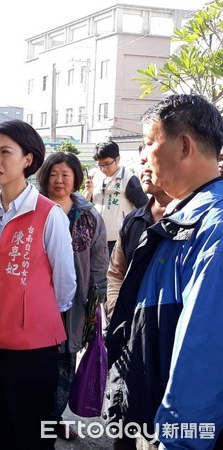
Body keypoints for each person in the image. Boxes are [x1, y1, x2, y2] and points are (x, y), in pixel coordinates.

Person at [105, 94, 223, 449]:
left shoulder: (213, 228)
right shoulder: (184, 219)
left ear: (184, 146)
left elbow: (202, 354)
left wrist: (175, 440)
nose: (143, 156)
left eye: (149, 142)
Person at [0, 119, 76, 449]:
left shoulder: (48, 214)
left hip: (32, 347)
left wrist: (31, 313)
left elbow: (64, 284)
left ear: (28, 160)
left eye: (5, 152)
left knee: (32, 433)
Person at [36, 151, 109, 441]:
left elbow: (100, 256)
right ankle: (37, 418)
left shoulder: (88, 214)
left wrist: (96, 297)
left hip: (76, 302)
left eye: (66, 174)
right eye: (53, 174)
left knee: (67, 359)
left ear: (76, 178)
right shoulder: (35, 208)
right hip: (39, 299)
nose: (59, 180)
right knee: (38, 359)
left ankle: (53, 420)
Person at [104, 148, 173, 323]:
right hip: (130, 327)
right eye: (143, 163)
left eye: (153, 162)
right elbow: (116, 273)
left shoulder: (189, 219)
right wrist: (116, 314)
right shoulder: (133, 220)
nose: (146, 169)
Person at [83, 140, 148, 253]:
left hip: (118, 241)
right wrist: (88, 191)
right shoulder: (94, 175)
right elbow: (84, 204)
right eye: (100, 165)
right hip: (95, 238)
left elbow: (145, 209)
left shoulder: (129, 179)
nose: (104, 169)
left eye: (107, 164)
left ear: (117, 159)